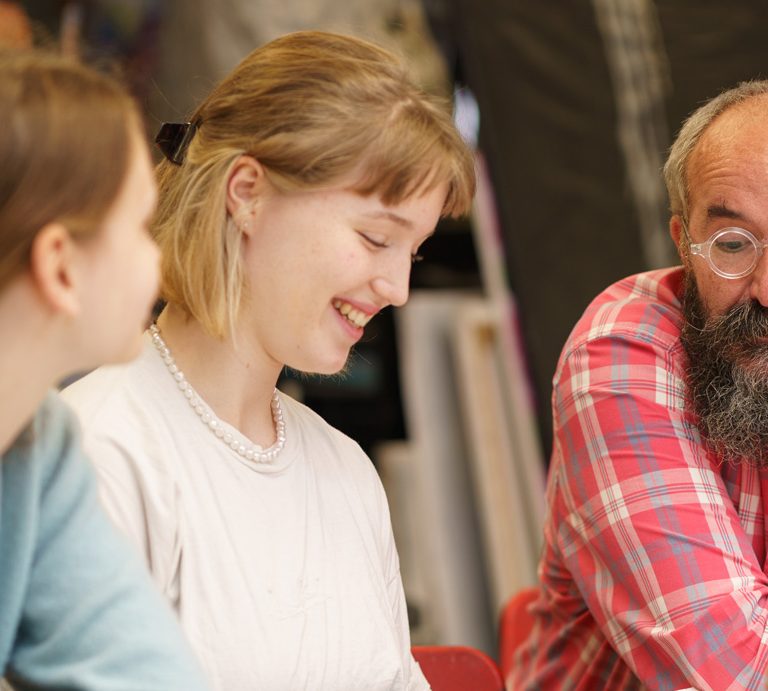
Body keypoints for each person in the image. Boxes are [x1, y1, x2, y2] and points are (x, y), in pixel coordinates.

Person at [62, 30, 475, 690]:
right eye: (376, 238)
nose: (396, 288)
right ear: (248, 192)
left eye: (413, 252)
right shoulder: (97, 452)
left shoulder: (345, 471)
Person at [508, 79, 768, 690]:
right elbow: (736, 675)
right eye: (733, 245)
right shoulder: (622, 351)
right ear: (685, 246)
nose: (765, 289)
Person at [0, 51, 207, 689]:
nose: (160, 256)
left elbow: (148, 676)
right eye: (143, 226)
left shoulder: (40, 449)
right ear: (61, 266)